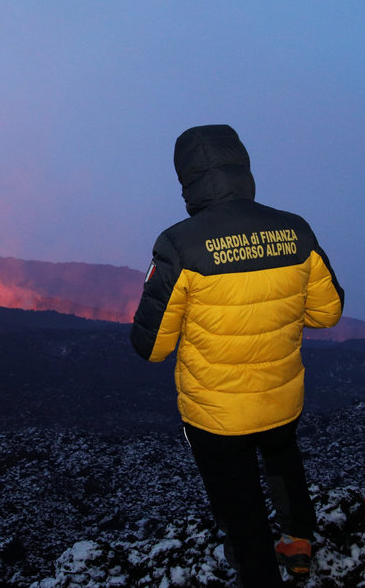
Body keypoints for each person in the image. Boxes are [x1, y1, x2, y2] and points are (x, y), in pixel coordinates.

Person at [130, 124, 344, 586]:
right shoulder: (296, 230)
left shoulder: (179, 244)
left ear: (187, 179)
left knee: (240, 506)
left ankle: (259, 572)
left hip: (217, 414)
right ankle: (299, 541)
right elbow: (328, 314)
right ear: (243, 167)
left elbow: (153, 346)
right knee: (283, 458)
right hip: (281, 397)